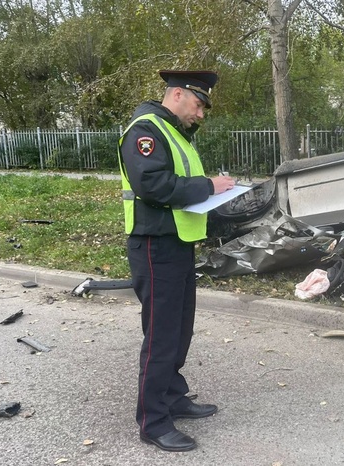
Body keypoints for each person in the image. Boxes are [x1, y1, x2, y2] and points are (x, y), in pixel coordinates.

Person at [117, 69, 235, 452]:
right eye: (199, 105)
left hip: (178, 243)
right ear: (179, 94)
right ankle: (153, 421)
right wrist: (209, 187)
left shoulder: (175, 132)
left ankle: (172, 395)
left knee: (180, 329)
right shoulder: (145, 130)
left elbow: (179, 188)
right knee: (162, 336)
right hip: (155, 247)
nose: (201, 114)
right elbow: (152, 185)